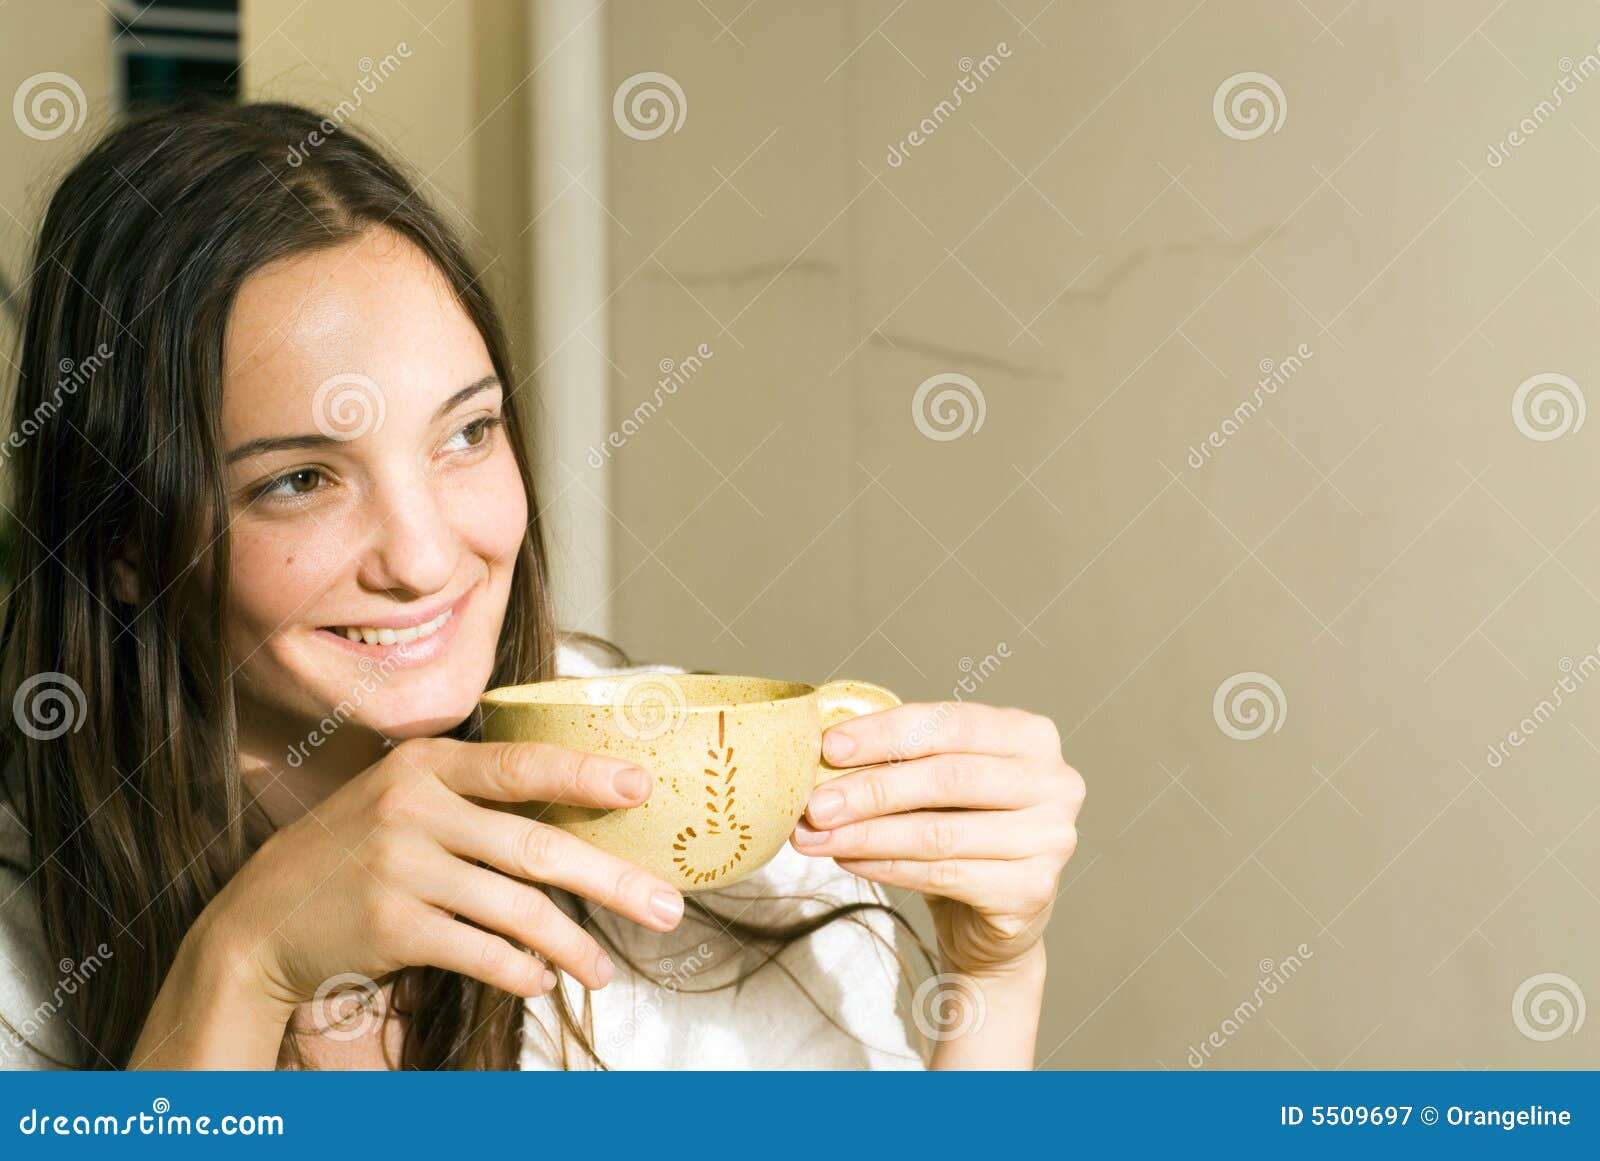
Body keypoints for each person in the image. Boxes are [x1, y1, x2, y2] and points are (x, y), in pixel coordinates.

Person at [0, 100, 1085, 1070]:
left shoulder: (718, 840)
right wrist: (243, 963)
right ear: (123, 544)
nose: (425, 559)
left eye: (467, 433)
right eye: (299, 481)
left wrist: (994, 980)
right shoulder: (24, 942)